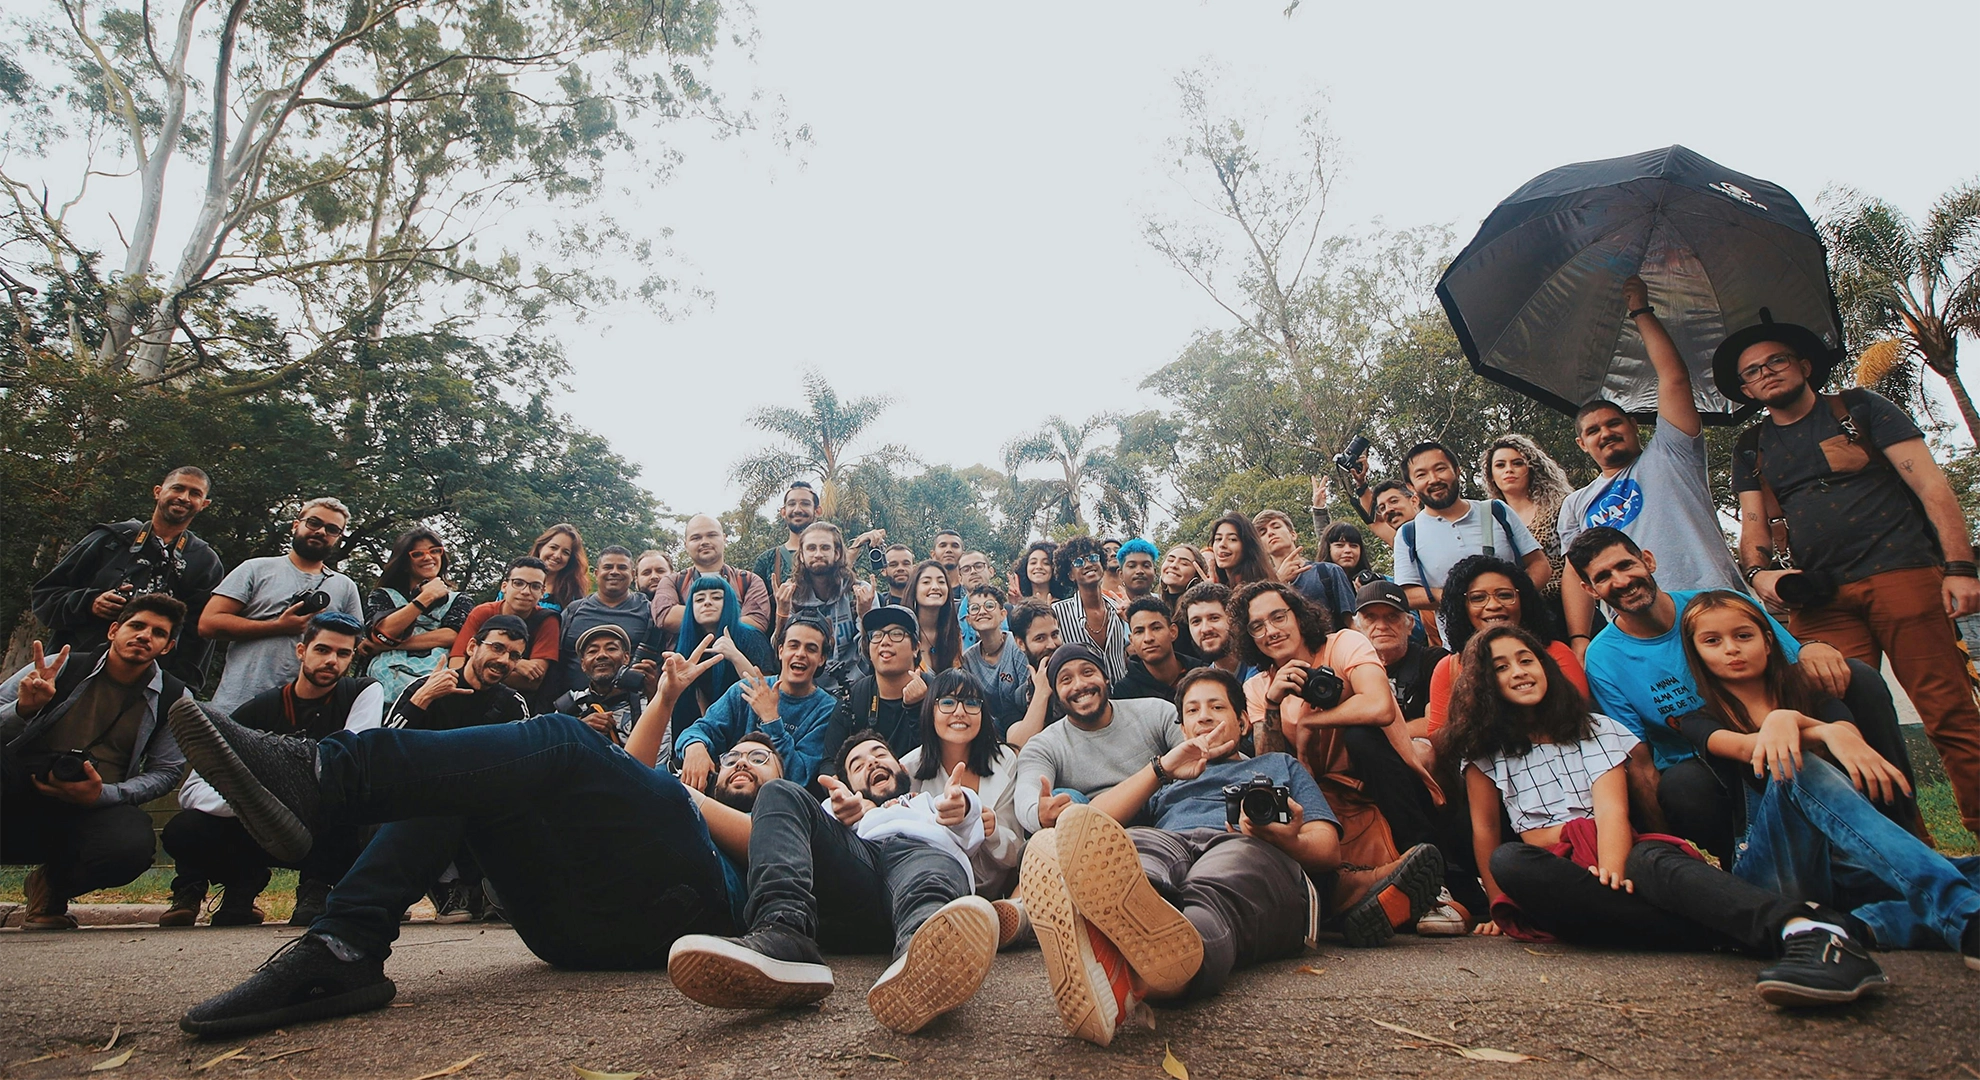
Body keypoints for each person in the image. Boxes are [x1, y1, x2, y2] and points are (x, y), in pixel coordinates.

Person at [165, 654, 746, 1036]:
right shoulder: (667, 804)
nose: (742, 759)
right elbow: (635, 776)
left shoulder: (786, 811)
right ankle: (344, 947)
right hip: (570, 930)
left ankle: (324, 777)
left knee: (565, 739)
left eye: (758, 757)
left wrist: (686, 792)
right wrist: (666, 700)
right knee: (478, 774)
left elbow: (749, 830)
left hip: (688, 912)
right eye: (735, 753)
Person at [1448, 625, 1890, 1007]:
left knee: (1651, 860)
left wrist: (1612, 867)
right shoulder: (1485, 754)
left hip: (1613, 853)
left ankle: (1800, 928)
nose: (1519, 671)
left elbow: (1612, 811)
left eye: (1526, 659)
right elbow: (1486, 829)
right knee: (1511, 861)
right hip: (1562, 880)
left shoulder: (1595, 729)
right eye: (1501, 667)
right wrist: (1495, 903)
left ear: (1546, 665)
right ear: (1485, 685)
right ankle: (1729, 926)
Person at [1019, 668, 1445, 1044]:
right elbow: (1092, 822)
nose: (1203, 716)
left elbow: (1328, 850)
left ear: (1242, 721)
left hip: (1251, 848)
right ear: (1181, 726)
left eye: (1216, 707)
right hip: (1171, 840)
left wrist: (1282, 840)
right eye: (1191, 711)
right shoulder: (1166, 783)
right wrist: (1161, 769)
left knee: (1218, 884)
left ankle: (1166, 971)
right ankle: (1120, 944)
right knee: (1139, 854)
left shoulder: (1279, 765)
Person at [1719, 312, 1980, 838]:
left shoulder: (1859, 409)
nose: (1766, 373)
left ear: (1804, 365)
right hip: (1820, 600)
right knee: (1840, 719)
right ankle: (1906, 850)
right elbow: (1753, 523)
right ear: (1745, 388)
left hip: (1902, 573)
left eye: (1776, 361)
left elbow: (1932, 486)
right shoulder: (1752, 446)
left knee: (1948, 713)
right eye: (1753, 371)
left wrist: (1958, 568)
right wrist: (1759, 574)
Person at [1568, 527, 1921, 860]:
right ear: (1589, 590)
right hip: (1712, 764)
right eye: (1603, 576)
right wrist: (1674, 853)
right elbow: (1641, 764)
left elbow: (1795, 671)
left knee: (1857, 676)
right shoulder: (1604, 660)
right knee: (1682, 785)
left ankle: (1902, 819)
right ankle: (1745, 866)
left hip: (1783, 731)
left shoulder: (1720, 607)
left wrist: (1814, 646)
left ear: (1648, 560)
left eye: (1625, 565)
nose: (1621, 581)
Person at [1675, 590, 1980, 966]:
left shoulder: (1813, 695)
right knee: (1795, 766)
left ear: (1768, 641)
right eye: (1712, 641)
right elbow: (1751, 749)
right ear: (1697, 655)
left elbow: (1848, 738)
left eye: (1743, 635)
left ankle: (1855, 926)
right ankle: (1962, 916)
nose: (1731, 649)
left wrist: (1806, 721)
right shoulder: (1698, 720)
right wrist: (1792, 721)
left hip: (1850, 866)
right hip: (1773, 871)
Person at [666, 727, 996, 1034]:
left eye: (880, 755)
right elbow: (807, 833)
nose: (871, 762)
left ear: (903, 770)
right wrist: (838, 815)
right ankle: (783, 936)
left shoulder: (928, 803)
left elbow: (968, 827)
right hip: (857, 876)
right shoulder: (838, 810)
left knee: (924, 885)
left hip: (921, 857)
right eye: (858, 763)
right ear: (848, 784)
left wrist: (963, 806)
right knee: (778, 792)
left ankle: (924, 957)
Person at [1233, 580, 1469, 931]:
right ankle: (1372, 902)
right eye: (1257, 626)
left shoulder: (1344, 643)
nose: (1271, 631)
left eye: (1278, 617)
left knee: (1360, 735)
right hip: (1325, 799)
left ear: (1298, 615)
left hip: (1388, 780)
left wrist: (1313, 721)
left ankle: (1436, 888)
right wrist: (1272, 705)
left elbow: (1377, 706)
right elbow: (1272, 765)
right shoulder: (1256, 687)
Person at [1558, 277, 1746, 658]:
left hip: (1713, 604)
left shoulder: (1672, 452)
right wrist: (1580, 640)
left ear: (1633, 426)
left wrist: (1640, 310)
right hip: (1638, 629)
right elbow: (1575, 576)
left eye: (1614, 423)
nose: (1606, 433)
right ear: (1582, 445)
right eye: (1593, 431)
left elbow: (1674, 378)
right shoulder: (1577, 504)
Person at [165, 612, 380, 928]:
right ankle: (234, 883)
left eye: (343, 653)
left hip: (321, 827)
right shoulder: (260, 708)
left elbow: (351, 762)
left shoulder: (362, 692)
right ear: (301, 651)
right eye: (322, 649)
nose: (332, 660)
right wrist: (255, 803)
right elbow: (194, 789)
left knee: (352, 804)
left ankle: (317, 888)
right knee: (185, 827)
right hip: (262, 830)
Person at [0, 593, 191, 930]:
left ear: (167, 647)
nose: (145, 635)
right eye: (136, 625)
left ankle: (51, 888)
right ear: (113, 630)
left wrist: (103, 794)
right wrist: (23, 710)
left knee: (130, 848)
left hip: (95, 805)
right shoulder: (58, 666)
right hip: (21, 787)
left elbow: (165, 772)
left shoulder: (175, 697)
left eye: (158, 633)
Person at [32, 466, 225, 689]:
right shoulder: (110, 539)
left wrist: (178, 689)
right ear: (158, 491)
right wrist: (90, 603)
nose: (184, 498)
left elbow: (198, 636)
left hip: (144, 686)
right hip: (73, 670)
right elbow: (45, 595)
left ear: (204, 504)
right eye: (178, 488)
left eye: (195, 493)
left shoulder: (204, 562)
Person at [199, 498, 366, 715]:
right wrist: (278, 626)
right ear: (296, 525)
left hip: (308, 713)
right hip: (239, 701)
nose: (321, 532)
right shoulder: (255, 569)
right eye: (314, 523)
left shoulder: (345, 586)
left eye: (332, 529)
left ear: (339, 538)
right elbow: (208, 624)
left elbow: (354, 645)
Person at [1011, 644, 1184, 836]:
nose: (1079, 685)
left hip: (1166, 819)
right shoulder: (1044, 746)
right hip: (1095, 837)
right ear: (1057, 694)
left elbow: (1193, 755)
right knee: (1065, 800)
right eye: (1066, 679)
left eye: (1087, 672)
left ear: (1105, 678)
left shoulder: (1155, 712)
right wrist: (1039, 812)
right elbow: (1026, 794)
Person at [675, 615, 841, 795]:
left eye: (811, 649)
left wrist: (771, 719)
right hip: (729, 794)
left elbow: (797, 775)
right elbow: (698, 730)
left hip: (779, 804)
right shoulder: (745, 690)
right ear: (780, 650)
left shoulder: (827, 710)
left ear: (822, 659)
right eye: (793, 645)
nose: (800, 654)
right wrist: (694, 746)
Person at [1423, 555, 1589, 736]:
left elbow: (1576, 718)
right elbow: (1439, 738)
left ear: (1523, 600)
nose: (1494, 605)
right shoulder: (1449, 667)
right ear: (1461, 607)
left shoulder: (1556, 653)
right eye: (1478, 598)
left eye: (1505, 595)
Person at [1392, 442, 1549, 620]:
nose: (1434, 479)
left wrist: (1511, 597)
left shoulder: (1496, 511)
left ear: (1457, 471)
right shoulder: (1409, 534)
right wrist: (1459, 598)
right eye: (1421, 475)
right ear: (1411, 486)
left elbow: (1539, 564)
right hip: (1460, 643)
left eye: (1440, 468)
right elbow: (1407, 594)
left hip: (1524, 633)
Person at [901, 669, 1023, 898]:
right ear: (930, 711)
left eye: (971, 703)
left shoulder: (1004, 760)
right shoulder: (909, 768)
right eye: (948, 702)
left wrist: (992, 831)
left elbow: (1016, 852)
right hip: (936, 890)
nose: (960, 712)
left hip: (1002, 891)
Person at [358, 528, 469, 708]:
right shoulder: (382, 596)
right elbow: (382, 632)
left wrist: (391, 644)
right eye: (418, 554)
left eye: (435, 551)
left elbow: (453, 635)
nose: (428, 557)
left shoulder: (460, 600)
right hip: (384, 682)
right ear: (404, 562)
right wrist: (424, 598)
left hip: (436, 680)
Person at [665, 574, 775, 749]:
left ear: (729, 603)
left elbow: (767, 690)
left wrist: (735, 655)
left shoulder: (751, 636)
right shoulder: (686, 643)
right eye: (699, 599)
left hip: (750, 729)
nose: (707, 602)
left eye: (716, 597)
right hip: (705, 733)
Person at [821, 607, 929, 767]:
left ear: (915, 647)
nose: (885, 642)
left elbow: (939, 757)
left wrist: (917, 707)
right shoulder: (855, 696)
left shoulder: (937, 691)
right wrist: (840, 788)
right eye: (877, 635)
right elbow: (829, 762)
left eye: (896, 634)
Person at [1480, 433, 1575, 614]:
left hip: (1565, 603)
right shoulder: (1489, 521)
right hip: (1516, 611)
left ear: (1531, 468)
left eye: (1517, 463)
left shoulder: (1561, 507)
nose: (1509, 469)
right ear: (1490, 475)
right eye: (1500, 465)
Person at [779, 522, 877, 693]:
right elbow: (781, 654)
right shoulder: (792, 595)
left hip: (857, 687)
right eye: (811, 548)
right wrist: (782, 613)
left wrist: (865, 615)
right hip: (810, 690)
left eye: (825, 547)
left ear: (837, 553)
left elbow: (874, 655)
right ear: (801, 555)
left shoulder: (860, 592)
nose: (818, 554)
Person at [451, 556, 560, 708]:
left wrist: (480, 669)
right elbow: (456, 663)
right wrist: (516, 663)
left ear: (542, 592)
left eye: (534, 586)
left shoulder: (547, 621)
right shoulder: (483, 613)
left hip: (511, 702)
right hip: (465, 694)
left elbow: (532, 681)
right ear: (504, 586)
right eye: (518, 583)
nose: (525, 591)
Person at [556, 545, 661, 698]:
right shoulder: (573, 611)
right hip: (575, 707)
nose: (614, 572)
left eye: (622, 567)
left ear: (632, 575)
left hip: (631, 707)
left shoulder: (649, 611)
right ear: (596, 573)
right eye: (608, 567)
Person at [1353, 581, 1446, 741]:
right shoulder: (1350, 668)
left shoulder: (1434, 661)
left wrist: (1378, 738)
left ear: (1410, 624)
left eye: (1392, 616)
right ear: (1358, 627)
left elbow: (1437, 725)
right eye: (1370, 617)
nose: (1381, 626)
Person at [656, 515, 773, 637]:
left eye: (712, 535)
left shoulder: (749, 581)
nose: (705, 542)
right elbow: (666, 617)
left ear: (724, 538)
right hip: (683, 655)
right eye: (696, 538)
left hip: (738, 655)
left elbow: (756, 623)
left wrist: (699, 616)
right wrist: (731, 617)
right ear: (686, 545)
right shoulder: (672, 582)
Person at [550, 625, 647, 747]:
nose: (601, 655)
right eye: (592, 651)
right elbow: (547, 752)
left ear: (626, 658)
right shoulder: (569, 705)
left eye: (611, 649)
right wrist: (579, 727)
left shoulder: (646, 706)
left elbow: (657, 762)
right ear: (583, 664)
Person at [1051, 536, 1129, 682]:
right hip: (1086, 696)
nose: (1088, 564)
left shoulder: (1118, 608)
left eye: (1093, 558)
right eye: (1078, 562)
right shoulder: (1057, 613)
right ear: (1070, 575)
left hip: (1123, 696)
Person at [1254, 509, 1356, 620]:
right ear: (1260, 547)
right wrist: (1279, 579)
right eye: (1263, 532)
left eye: (1276, 527)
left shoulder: (1328, 571)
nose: (1270, 533)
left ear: (1293, 535)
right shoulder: (1260, 587)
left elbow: (1352, 622)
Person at [961, 584, 1029, 736]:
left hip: (1026, 725)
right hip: (988, 735)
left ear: (1003, 614)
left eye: (989, 605)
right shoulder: (968, 660)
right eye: (975, 608)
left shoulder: (1018, 646)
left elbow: (1028, 696)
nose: (982, 611)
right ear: (969, 619)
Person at [1112, 597, 1207, 704]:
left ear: (1173, 632)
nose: (1148, 638)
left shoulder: (1204, 673)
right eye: (1139, 631)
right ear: (1131, 640)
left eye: (1156, 628)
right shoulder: (1126, 691)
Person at [753, 481, 822, 622]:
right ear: (783, 512)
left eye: (805, 503)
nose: (797, 509)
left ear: (817, 511)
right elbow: (756, 613)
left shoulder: (831, 556)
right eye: (791, 504)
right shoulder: (767, 560)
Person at [1003, 600, 1065, 747]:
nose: (1051, 645)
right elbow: (1018, 745)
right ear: (1020, 643)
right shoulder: (1017, 699)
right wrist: (1041, 694)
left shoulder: (1082, 681)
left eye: (1055, 635)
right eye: (1040, 638)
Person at [1176, 581, 1250, 681]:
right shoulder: (1205, 684)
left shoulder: (1264, 669)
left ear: (1234, 620)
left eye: (1214, 618)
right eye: (1196, 621)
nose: (1205, 629)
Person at [909, 560, 963, 673]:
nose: (935, 587)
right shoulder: (902, 634)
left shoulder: (954, 634)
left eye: (941, 582)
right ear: (914, 589)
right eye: (926, 582)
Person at [1207, 512, 1276, 592]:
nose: (1222, 544)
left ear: (1247, 546)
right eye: (1218, 539)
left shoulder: (1259, 590)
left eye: (1232, 539)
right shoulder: (1221, 585)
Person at [529, 523, 589, 612]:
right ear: (540, 547)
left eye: (565, 552)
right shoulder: (515, 582)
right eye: (553, 547)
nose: (557, 555)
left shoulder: (573, 596)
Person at [1319, 522, 1383, 589]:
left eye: (1353, 546)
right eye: (1340, 545)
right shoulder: (1316, 582)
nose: (1348, 550)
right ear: (1328, 549)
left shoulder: (1375, 582)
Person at [1157, 543, 1207, 610]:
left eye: (1184, 563)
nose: (1173, 565)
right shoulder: (1154, 605)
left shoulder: (1200, 607)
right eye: (1170, 560)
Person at [1114, 538, 1161, 604]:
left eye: (1146, 566)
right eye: (1132, 566)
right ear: (1120, 574)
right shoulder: (1111, 609)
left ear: (1154, 572)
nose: (1139, 571)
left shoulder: (1167, 606)